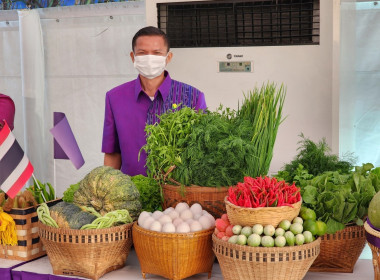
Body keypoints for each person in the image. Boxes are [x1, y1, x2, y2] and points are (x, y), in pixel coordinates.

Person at [101, 26, 207, 176]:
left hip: (178, 192)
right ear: (133, 57)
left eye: (157, 53)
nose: (149, 58)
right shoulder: (115, 97)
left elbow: (203, 153)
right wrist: (107, 188)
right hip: (131, 192)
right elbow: (112, 153)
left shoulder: (193, 97)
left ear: (168, 57)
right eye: (142, 53)